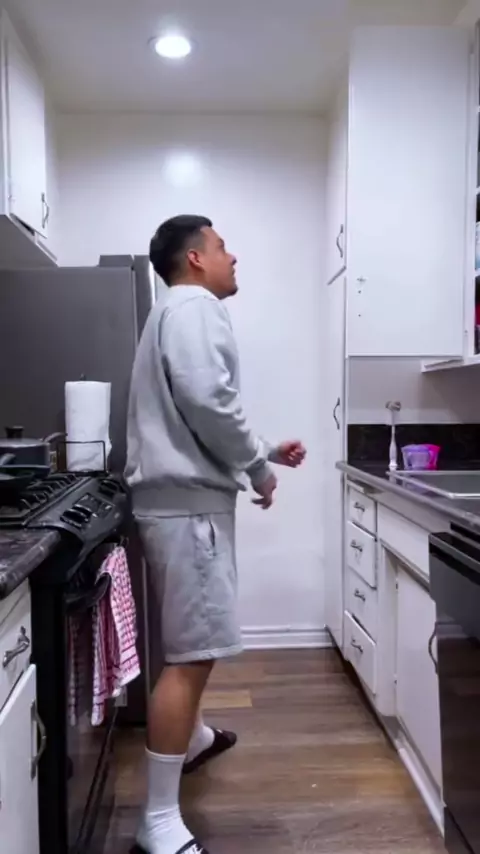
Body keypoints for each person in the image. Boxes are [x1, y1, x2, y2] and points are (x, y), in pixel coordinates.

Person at [125, 214, 306, 854]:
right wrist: (258, 467)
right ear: (196, 258)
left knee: (189, 641)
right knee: (192, 655)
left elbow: (197, 408)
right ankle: (157, 822)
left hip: (177, 504)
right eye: (223, 246)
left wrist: (264, 449)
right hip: (187, 511)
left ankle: (195, 738)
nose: (234, 257)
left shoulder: (172, 312)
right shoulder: (196, 307)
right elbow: (208, 399)